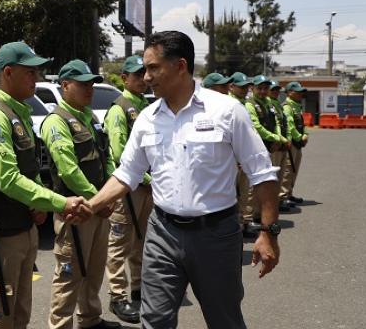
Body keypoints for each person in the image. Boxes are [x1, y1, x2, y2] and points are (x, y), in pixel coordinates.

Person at [84, 31, 281, 329]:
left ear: (180, 66)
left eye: (153, 67)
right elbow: (127, 173)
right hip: (163, 233)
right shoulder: (148, 118)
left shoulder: (226, 111)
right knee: (155, 320)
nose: (147, 77)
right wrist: (90, 205)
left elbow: (262, 174)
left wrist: (268, 232)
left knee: (224, 319)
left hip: (216, 235)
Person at [0, 42, 91, 329]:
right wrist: (59, 202)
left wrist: (37, 203)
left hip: (21, 226)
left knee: (20, 312)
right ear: (8, 73)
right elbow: (8, 178)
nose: (36, 78)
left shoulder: (18, 113)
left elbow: (29, 169)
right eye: (30, 72)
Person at [40, 60, 121, 329]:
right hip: (76, 211)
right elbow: (68, 169)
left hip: (98, 207)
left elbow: (106, 157)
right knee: (69, 275)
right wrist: (99, 200)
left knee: (95, 269)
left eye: (92, 84)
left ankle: (90, 319)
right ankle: (60, 325)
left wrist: (106, 196)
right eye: (83, 84)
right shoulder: (56, 121)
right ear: (65, 86)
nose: (90, 89)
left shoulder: (91, 117)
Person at [102, 55, 153, 324]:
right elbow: (120, 153)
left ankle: (138, 289)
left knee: (141, 241)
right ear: (124, 78)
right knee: (119, 243)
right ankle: (117, 297)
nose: (142, 79)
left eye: (143, 74)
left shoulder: (145, 106)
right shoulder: (119, 109)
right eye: (135, 75)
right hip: (128, 187)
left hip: (146, 187)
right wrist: (146, 179)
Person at [245, 75, 289, 221]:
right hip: (256, 149)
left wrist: (278, 137)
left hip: (270, 147)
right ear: (253, 88)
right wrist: (276, 137)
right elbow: (256, 126)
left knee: (268, 182)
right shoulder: (250, 104)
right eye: (260, 88)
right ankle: (249, 217)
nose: (263, 91)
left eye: (266, 88)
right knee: (253, 185)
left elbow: (276, 121)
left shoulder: (268, 102)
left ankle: (258, 214)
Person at [228, 72, 259, 235]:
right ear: (231, 86)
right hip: (234, 159)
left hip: (244, 156)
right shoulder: (230, 104)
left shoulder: (244, 104)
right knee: (235, 193)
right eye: (241, 86)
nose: (245, 89)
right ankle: (237, 225)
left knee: (244, 190)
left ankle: (243, 223)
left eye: (246, 86)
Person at [280, 82, 309, 205]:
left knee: (294, 169)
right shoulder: (287, 106)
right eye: (297, 92)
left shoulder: (297, 105)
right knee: (288, 169)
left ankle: (289, 193)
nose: (300, 94)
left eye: (301, 92)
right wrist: (299, 137)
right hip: (292, 143)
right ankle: (283, 196)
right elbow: (290, 126)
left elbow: (302, 123)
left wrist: (306, 134)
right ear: (289, 93)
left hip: (298, 143)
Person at [268, 81, 295, 211]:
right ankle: (274, 202)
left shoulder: (277, 104)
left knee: (282, 174)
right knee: (274, 177)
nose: (275, 92)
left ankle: (279, 200)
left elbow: (283, 124)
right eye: (273, 90)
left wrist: (287, 138)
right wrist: (281, 139)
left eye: (277, 90)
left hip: (282, 144)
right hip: (274, 145)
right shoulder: (268, 104)